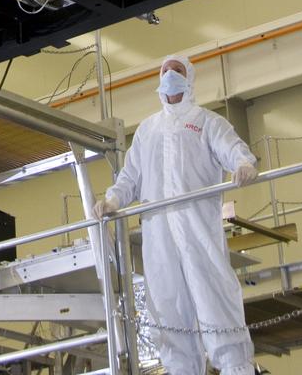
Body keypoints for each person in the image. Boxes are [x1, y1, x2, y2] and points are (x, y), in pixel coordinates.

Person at [93, 54, 259, 375]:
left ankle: (237, 368)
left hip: (199, 230)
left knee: (215, 298)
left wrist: (244, 163)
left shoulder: (207, 121)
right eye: (165, 70)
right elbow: (130, 177)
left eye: (178, 70)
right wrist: (112, 200)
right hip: (159, 237)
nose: (170, 74)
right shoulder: (147, 131)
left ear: (189, 78)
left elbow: (231, 148)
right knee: (167, 308)